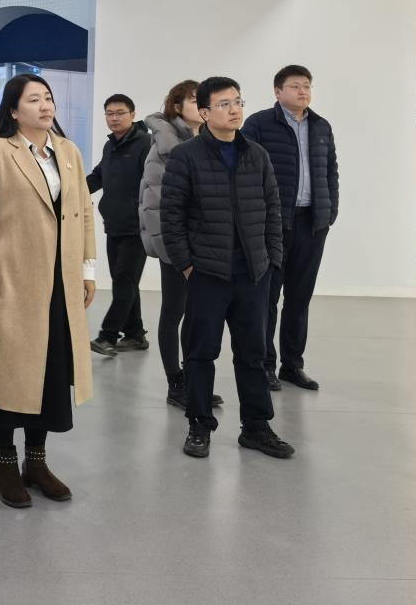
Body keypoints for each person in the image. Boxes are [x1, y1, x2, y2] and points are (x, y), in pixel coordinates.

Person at [0, 73, 97, 508]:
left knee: (50, 373)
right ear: (14, 110)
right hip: (13, 279)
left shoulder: (68, 152)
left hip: (61, 281)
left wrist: (87, 269)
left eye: (48, 98)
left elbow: (84, 212)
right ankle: (4, 463)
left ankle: (35, 462)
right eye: (34, 99)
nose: (45, 105)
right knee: (11, 372)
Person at [160, 77, 293, 461]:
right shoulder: (186, 156)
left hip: (253, 273)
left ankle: (256, 427)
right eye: (224, 104)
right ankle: (199, 425)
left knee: (253, 354)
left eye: (238, 101)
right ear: (204, 113)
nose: (234, 110)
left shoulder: (256, 154)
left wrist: (272, 259)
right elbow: (171, 218)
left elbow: (273, 210)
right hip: (207, 274)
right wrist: (187, 266)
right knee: (200, 353)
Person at [242, 65, 338, 392]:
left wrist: (329, 213)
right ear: (277, 91)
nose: (302, 91)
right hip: (273, 224)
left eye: (307, 86)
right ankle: (265, 365)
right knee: (267, 298)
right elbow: (246, 173)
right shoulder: (258, 124)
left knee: (299, 298)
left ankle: (292, 365)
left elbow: (331, 173)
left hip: (312, 224)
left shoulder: (321, 126)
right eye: (295, 86)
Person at [138, 79, 220, 411]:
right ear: (176, 106)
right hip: (176, 243)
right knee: (174, 311)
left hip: (205, 243)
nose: (201, 105)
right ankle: (176, 383)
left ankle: (193, 381)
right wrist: (171, 247)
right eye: (194, 99)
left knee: (198, 314)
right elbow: (155, 201)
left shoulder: (209, 139)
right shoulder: (165, 144)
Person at [86, 93, 151, 357]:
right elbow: (98, 176)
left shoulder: (146, 144)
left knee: (124, 281)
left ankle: (108, 336)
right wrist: (70, 191)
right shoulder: (110, 145)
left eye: (120, 113)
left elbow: (154, 184)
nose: (114, 118)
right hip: (114, 223)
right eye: (110, 113)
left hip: (138, 226)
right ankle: (135, 334)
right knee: (124, 281)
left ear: (132, 115)